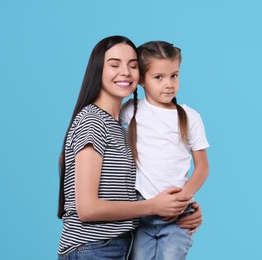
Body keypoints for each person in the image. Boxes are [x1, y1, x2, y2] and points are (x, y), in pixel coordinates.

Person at [57, 36, 202, 260]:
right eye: (114, 64)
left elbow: (141, 182)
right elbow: (86, 209)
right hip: (93, 247)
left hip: (119, 244)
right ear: (98, 70)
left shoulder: (122, 125)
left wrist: (181, 205)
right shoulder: (93, 121)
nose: (125, 72)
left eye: (132, 65)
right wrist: (154, 206)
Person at [120, 41, 209, 260]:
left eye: (174, 75)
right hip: (141, 212)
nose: (169, 84)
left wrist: (184, 197)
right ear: (141, 80)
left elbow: (203, 167)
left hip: (177, 216)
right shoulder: (130, 111)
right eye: (158, 77)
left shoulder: (190, 117)